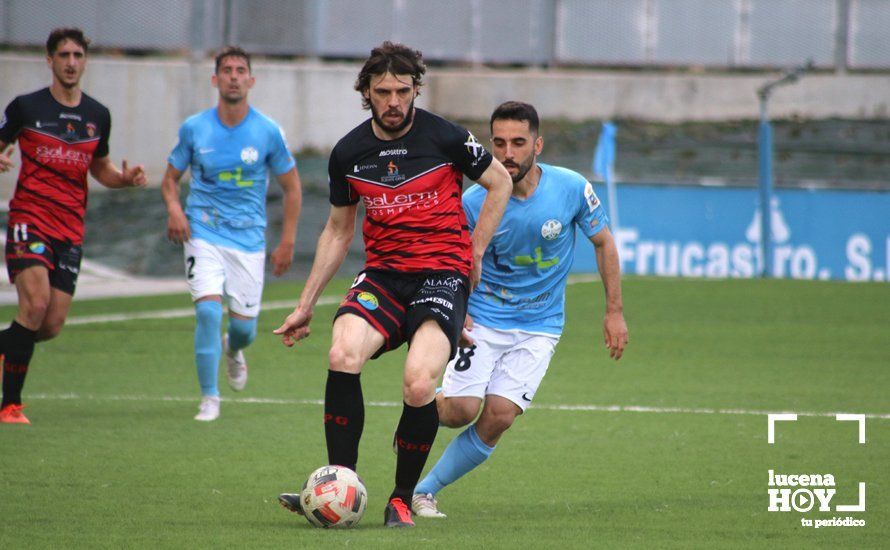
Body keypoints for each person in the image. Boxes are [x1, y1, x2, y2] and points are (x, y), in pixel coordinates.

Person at [274, 41, 512, 528]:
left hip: (441, 275)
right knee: (341, 354)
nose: (394, 101)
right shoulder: (348, 152)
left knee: (419, 381)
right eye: (383, 91)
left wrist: (476, 252)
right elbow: (339, 230)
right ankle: (340, 486)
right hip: (382, 276)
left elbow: (501, 181)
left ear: (415, 89)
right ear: (366, 92)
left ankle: (401, 498)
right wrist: (305, 304)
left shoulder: (446, 137)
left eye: (403, 90)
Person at [410, 101, 629, 518]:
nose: (507, 153)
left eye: (518, 142)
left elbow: (604, 242)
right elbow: (453, 261)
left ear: (538, 145)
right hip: (484, 319)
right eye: (498, 143)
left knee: (499, 416)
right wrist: (457, 313)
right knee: (459, 411)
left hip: (539, 327)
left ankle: (423, 491)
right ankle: (416, 411)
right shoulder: (475, 202)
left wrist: (613, 311)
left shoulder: (571, 188)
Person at [0, 28, 147, 425]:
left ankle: (6, 347)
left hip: (70, 229)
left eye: (77, 55)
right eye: (63, 54)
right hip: (29, 220)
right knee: (35, 304)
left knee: (49, 325)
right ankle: (9, 406)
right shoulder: (25, 108)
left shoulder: (97, 115)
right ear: (49, 60)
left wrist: (124, 178)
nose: (70, 62)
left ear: (85, 61)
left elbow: (100, 168)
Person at [162, 46, 302, 422]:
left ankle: (233, 348)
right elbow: (170, 181)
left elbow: (292, 188)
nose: (234, 76)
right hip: (203, 230)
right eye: (227, 70)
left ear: (251, 80)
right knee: (207, 311)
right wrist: (175, 210)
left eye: (241, 70)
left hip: (248, 239)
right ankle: (210, 397)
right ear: (216, 79)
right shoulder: (195, 128)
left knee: (245, 331)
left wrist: (287, 241)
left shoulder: (267, 131)